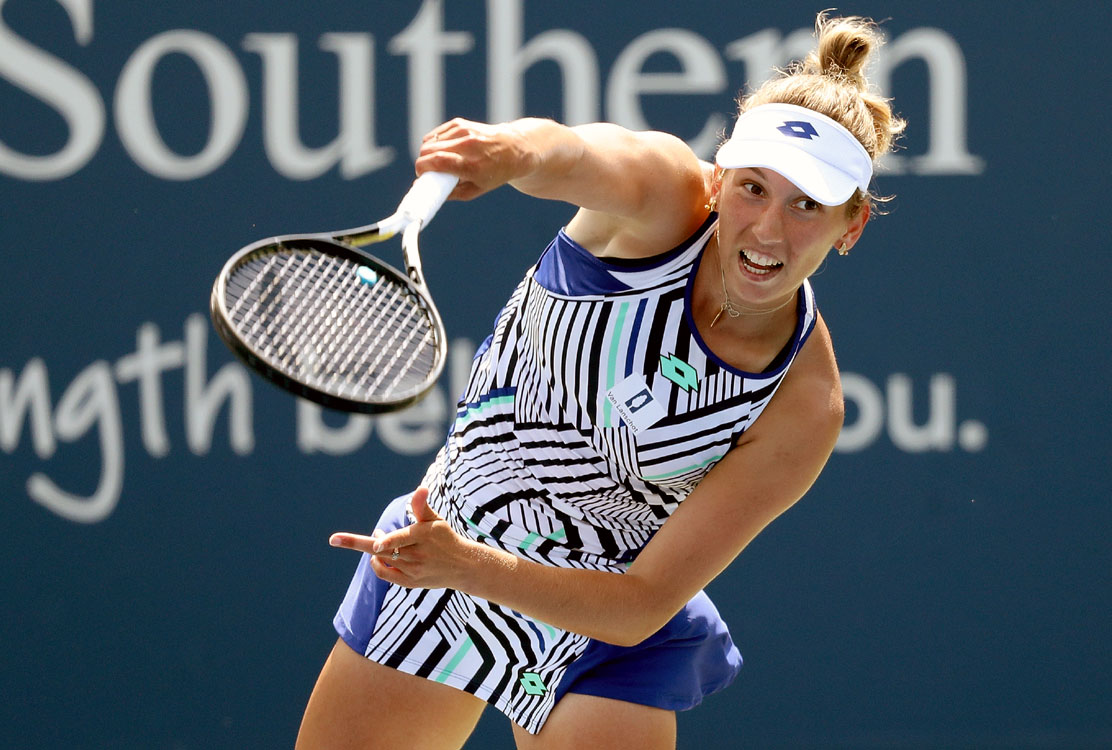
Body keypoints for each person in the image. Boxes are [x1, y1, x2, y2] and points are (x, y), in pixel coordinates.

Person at [296, 12, 904, 750]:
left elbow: (639, 604)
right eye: (753, 190)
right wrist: (507, 149)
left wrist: (469, 566)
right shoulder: (659, 195)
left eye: (808, 205)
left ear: (852, 226)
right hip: (441, 556)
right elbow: (572, 150)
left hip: (597, 631)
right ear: (716, 180)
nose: (769, 231)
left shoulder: (806, 406)